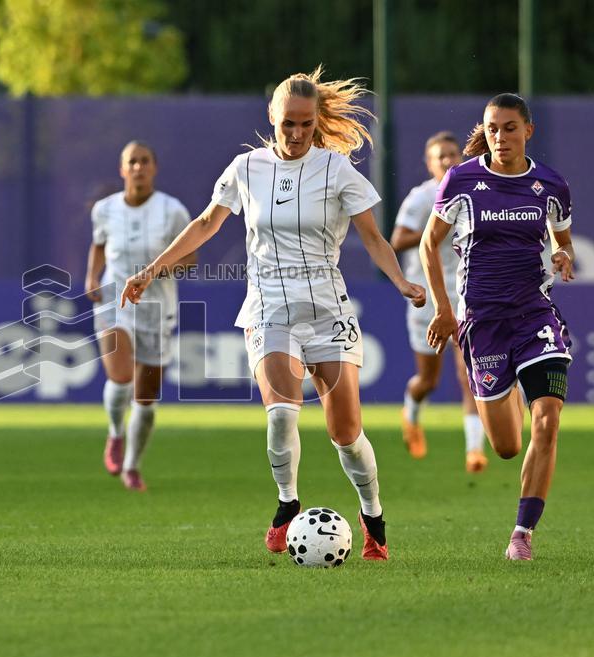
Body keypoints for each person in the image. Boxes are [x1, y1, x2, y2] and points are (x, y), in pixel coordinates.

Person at [121, 67, 425, 559]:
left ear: (317, 121)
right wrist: (153, 269)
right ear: (272, 118)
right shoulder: (247, 169)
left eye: (307, 124)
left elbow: (372, 237)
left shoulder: (337, 170)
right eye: (289, 123)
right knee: (281, 414)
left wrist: (402, 281)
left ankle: (372, 515)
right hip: (269, 309)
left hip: (329, 310)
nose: (298, 133)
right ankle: (287, 504)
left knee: (345, 434)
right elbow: (206, 223)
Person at [421, 93, 574, 561]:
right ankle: (505, 386)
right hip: (482, 325)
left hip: (535, 315)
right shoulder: (462, 180)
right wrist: (444, 309)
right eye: (492, 128)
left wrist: (563, 253)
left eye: (509, 128)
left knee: (546, 421)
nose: (500, 137)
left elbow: (561, 238)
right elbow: (430, 246)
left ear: (528, 131)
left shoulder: (551, 185)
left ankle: (522, 535)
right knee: (506, 447)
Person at [85, 141, 195, 491]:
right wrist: (91, 275)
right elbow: (100, 244)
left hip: (156, 308)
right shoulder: (105, 209)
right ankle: (115, 432)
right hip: (114, 300)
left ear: (154, 167)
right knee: (120, 376)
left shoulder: (172, 210)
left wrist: (158, 273)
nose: (138, 167)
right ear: (122, 169)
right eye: (132, 162)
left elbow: (190, 257)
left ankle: (132, 465)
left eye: (144, 161)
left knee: (145, 399)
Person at [390, 132, 487, 471]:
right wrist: (436, 227)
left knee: (470, 373)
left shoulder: (476, 192)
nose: (447, 160)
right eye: (439, 156)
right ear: (429, 164)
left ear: (461, 157)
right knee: (428, 380)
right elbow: (398, 239)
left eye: (451, 154)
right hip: (427, 297)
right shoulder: (422, 198)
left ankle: (474, 450)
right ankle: (411, 412)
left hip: (466, 294)